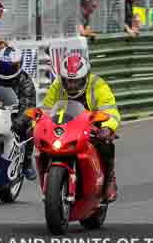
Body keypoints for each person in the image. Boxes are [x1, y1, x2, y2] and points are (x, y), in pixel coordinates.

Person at [41, 55, 120, 203]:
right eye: (68, 81)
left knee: (106, 144)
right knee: (43, 148)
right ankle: (49, 182)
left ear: (85, 78)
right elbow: (46, 109)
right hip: (64, 128)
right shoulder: (57, 86)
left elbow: (110, 110)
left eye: (75, 81)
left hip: (91, 127)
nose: (71, 86)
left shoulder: (98, 85)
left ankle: (109, 179)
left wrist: (107, 128)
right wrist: (36, 127)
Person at [0, 46, 37, 180]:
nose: (6, 70)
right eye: (3, 66)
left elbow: (28, 106)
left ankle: (27, 162)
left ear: (19, 66)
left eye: (10, 67)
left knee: (29, 128)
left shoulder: (25, 80)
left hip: (13, 116)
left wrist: (18, 122)